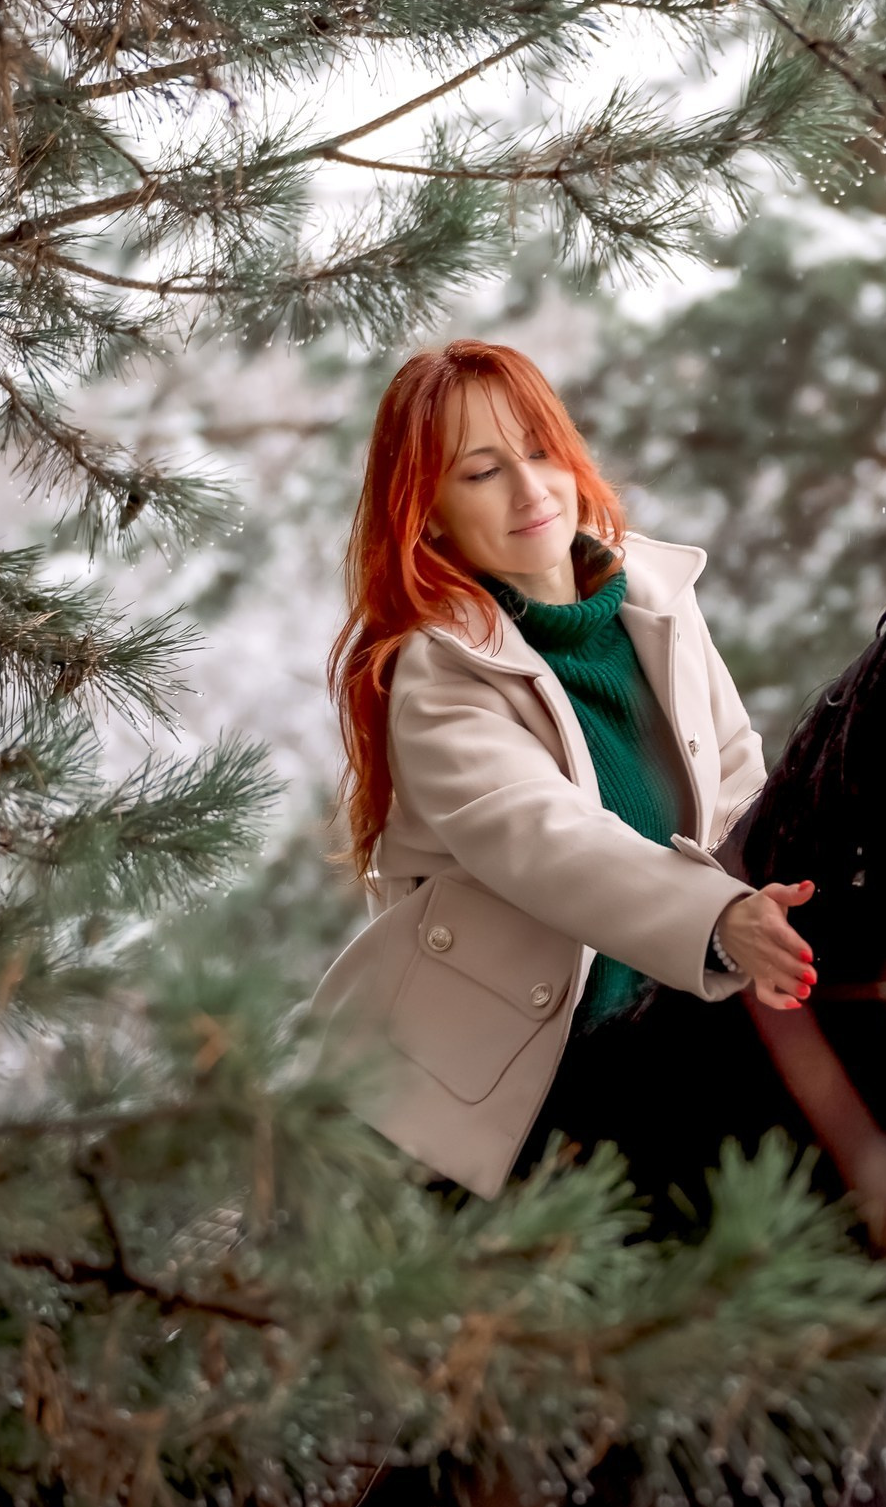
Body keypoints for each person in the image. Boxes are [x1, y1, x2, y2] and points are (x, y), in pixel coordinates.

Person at [314, 338, 818, 1204]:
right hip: (460, 1096)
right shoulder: (437, 674)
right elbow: (550, 843)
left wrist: (774, 904)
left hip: (649, 1053)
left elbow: (736, 783)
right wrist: (716, 917)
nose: (530, 488)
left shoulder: (660, 602)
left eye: (540, 450)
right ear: (427, 513)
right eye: (481, 473)